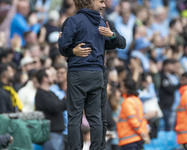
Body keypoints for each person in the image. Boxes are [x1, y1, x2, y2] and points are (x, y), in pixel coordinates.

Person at [58, 0, 123, 149]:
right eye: (100, 1)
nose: (104, 5)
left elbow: (62, 47)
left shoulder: (73, 21)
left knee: (75, 116)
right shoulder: (103, 23)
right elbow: (120, 43)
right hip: (97, 74)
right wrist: (112, 35)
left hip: (78, 73)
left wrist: (71, 51)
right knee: (96, 116)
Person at [35, 68, 67, 150]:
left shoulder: (50, 93)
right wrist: (67, 98)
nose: (54, 77)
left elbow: (61, 105)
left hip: (58, 133)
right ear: (44, 78)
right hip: (51, 133)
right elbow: (56, 107)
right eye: (50, 75)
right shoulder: (41, 94)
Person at [117, 76, 150, 150]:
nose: (120, 89)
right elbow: (142, 119)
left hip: (129, 139)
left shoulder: (127, 102)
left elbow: (132, 120)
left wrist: (142, 133)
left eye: (122, 86)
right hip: (137, 139)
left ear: (126, 88)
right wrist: (143, 132)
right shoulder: (137, 100)